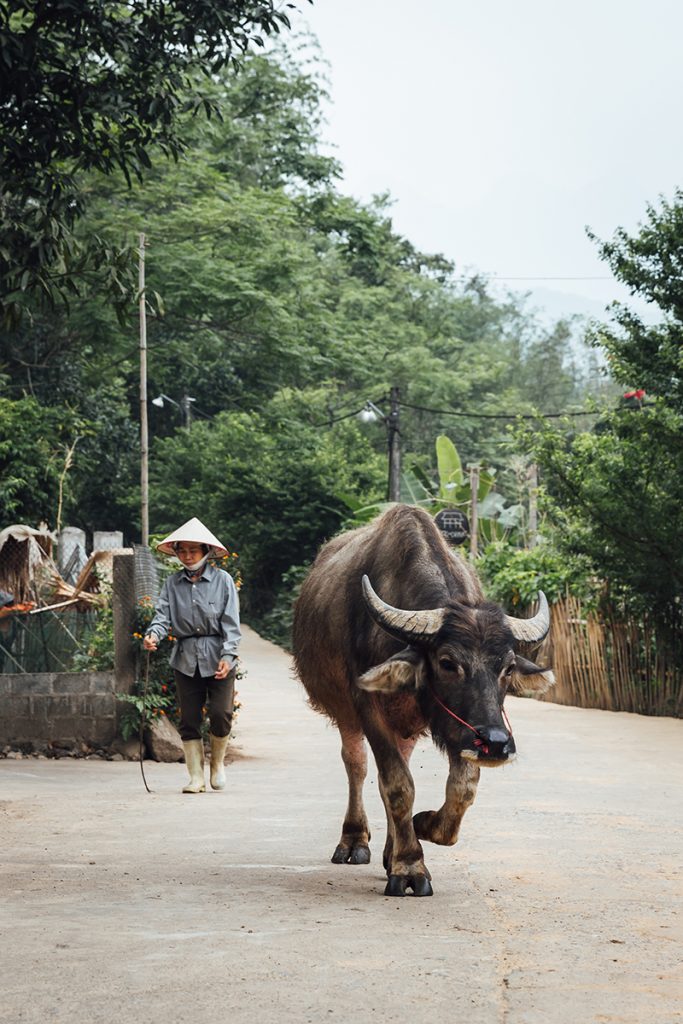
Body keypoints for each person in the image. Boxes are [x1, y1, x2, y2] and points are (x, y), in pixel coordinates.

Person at [143, 517, 241, 794]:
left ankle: (217, 765)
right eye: (182, 550)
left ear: (205, 552)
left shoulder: (223, 581)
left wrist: (229, 655)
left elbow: (232, 624)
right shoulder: (172, 584)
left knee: (221, 714)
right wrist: (153, 635)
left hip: (218, 655)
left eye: (193, 551)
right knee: (188, 719)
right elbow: (162, 616)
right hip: (185, 658)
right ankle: (195, 776)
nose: (187, 556)